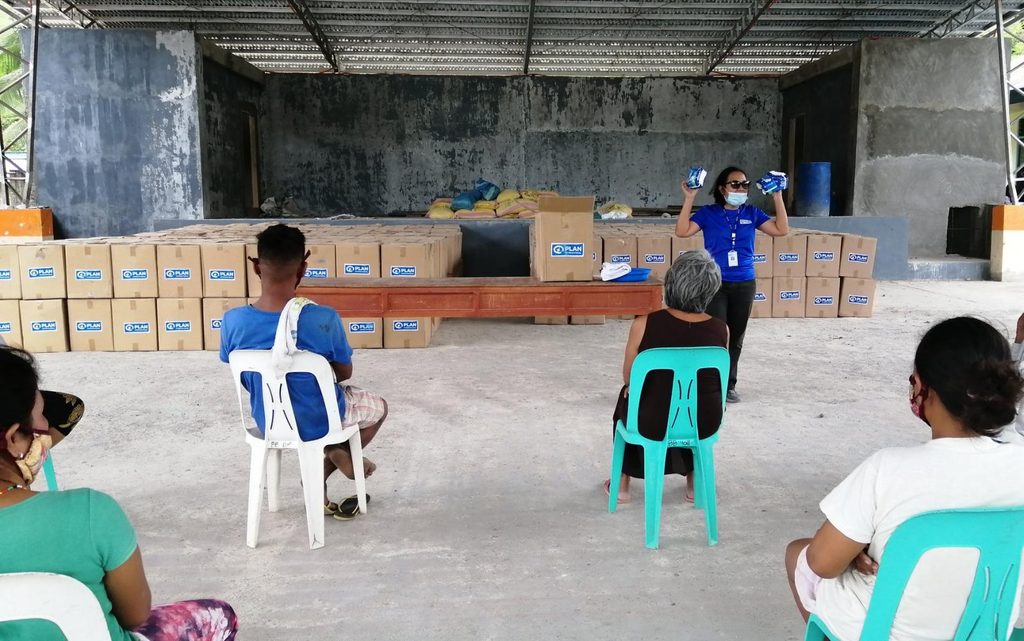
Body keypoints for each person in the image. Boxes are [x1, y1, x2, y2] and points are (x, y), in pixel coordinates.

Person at [784, 316, 1024, 641]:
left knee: (799, 552)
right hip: (986, 631)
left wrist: (862, 544)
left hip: (883, 633)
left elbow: (822, 563)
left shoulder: (887, 469)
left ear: (928, 391)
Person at [0, 346, 239, 641]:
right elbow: (135, 615)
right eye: (40, 416)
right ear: (12, 438)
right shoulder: (90, 513)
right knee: (218, 615)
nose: (48, 427)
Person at [219, 224, 388, 520]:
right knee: (379, 407)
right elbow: (345, 372)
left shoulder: (233, 322)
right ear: (304, 267)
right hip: (322, 419)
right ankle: (333, 455)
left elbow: (242, 376)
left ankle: (330, 458)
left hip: (268, 420)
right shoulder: (323, 318)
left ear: (257, 267)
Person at [604, 250, 728, 505]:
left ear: (670, 285)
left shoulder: (645, 323)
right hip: (704, 422)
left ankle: (623, 482)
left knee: (629, 396)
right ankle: (695, 482)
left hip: (651, 422)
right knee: (691, 398)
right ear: (712, 290)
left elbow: (630, 377)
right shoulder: (721, 330)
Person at [676, 166, 790, 403]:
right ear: (722, 188)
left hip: (744, 283)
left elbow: (781, 230)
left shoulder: (753, 212)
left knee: (736, 337)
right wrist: (689, 198)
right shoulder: (708, 213)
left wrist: (778, 196)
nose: (741, 189)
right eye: (735, 184)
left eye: (745, 185)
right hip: (715, 282)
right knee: (716, 335)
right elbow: (682, 231)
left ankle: (728, 385)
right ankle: (708, 383)